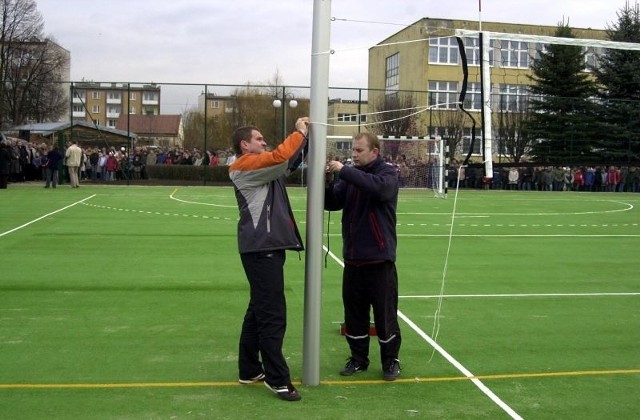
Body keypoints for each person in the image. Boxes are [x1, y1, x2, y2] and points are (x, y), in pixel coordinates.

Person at [229, 117, 309, 402]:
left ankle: (249, 369)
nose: (264, 142)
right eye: (259, 139)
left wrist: (306, 140)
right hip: (261, 249)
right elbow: (282, 156)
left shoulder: (261, 169)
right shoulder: (243, 166)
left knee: (258, 310)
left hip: (265, 248)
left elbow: (289, 163)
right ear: (245, 145)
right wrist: (298, 132)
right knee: (273, 315)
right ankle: (278, 380)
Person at [324, 132, 402, 381]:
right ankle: (358, 359)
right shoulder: (351, 177)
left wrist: (344, 171)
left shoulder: (387, 173)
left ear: (374, 152)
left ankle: (390, 361)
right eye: (353, 151)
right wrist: (325, 183)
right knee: (354, 314)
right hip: (353, 259)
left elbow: (379, 190)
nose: (354, 155)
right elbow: (333, 202)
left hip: (380, 260)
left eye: (359, 151)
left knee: (385, 315)